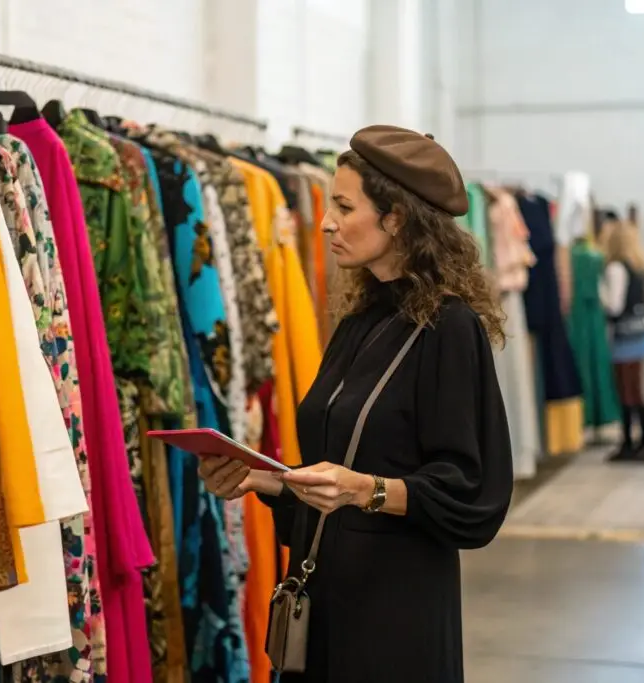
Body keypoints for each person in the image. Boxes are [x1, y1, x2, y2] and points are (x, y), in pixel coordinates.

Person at [197, 125, 515, 683]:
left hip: (395, 620)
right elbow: (336, 468)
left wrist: (366, 490)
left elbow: (473, 494)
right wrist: (266, 481)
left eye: (343, 207)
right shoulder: (360, 322)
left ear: (396, 218)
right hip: (323, 602)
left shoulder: (448, 328)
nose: (325, 223)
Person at [598, 218, 644, 462]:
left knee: (625, 391)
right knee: (636, 389)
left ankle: (629, 443)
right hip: (640, 332)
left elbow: (614, 306)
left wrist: (600, 295)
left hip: (623, 336)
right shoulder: (640, 266)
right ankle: (641, 443)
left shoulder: (615, 268)